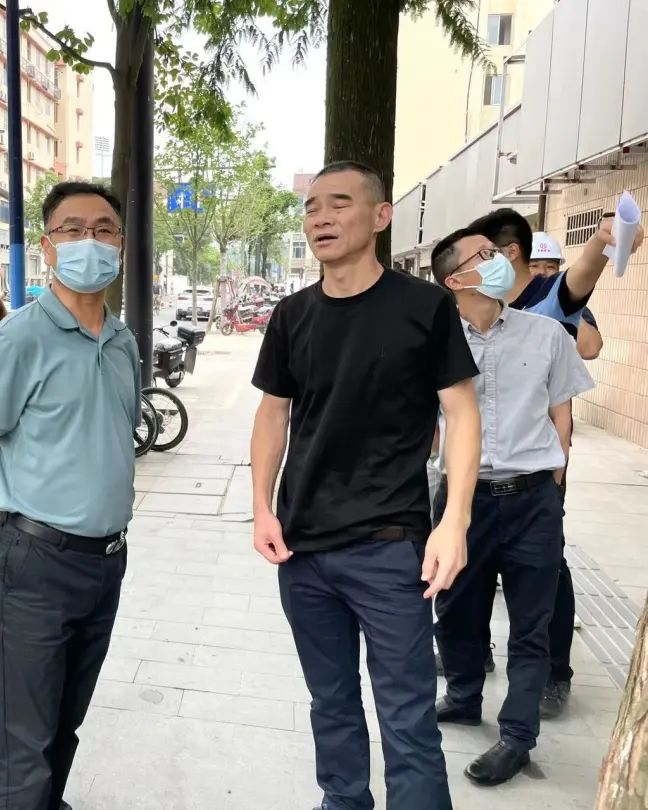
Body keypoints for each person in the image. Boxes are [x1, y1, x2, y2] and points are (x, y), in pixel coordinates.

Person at [250, 161, 481, 810]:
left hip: (389, 548)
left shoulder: (425, 307)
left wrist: (454, 521)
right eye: (311, 207)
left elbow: (462, 414)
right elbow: (272, 415)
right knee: (330, 703)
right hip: (302, 552)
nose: (320, 217)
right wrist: (261, 509)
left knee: (407, 717)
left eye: (339, 203)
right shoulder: (292, 315)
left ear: (381, 216)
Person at [0, 181, 140, 810]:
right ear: (48, 245)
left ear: (121, 242)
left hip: (106, 558)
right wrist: (14, 517)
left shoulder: (123, 341)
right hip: (39, 559)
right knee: (24, 733)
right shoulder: (20, 338)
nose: (91, 241)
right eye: (73, 229)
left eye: (104, 229)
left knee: (66, 717)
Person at [429, 228, 594, 786]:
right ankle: (463, 696)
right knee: (456, 608)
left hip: (532, 500)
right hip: (463, 500)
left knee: (531, 623)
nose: (501, 259)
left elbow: (561, 413)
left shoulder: (546, 334)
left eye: (497, 251)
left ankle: (518, 737)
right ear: (456, 280)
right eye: (485, 255)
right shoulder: (435, 342)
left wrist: (556, 481)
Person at [466, 208, 643, 719]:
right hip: (478, 469)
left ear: (508, 253)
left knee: (546, 574)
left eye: (482, 253)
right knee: (472, 569)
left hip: (536, 471)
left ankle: (553, 674)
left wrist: (603, 242)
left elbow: (579, 279)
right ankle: (471, 659)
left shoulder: (547, 299)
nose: (475, 265)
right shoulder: (477, 308)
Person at [530, 231, 603, 360]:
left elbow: (591, 350)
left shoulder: (573, 303)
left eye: (550, 266)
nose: (542, 272)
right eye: (534, 266)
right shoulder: (506, 303)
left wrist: (565, 309)